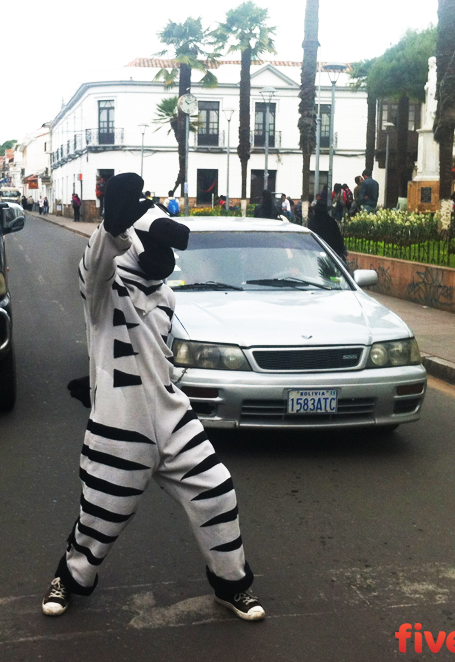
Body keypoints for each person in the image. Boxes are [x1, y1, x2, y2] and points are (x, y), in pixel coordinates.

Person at [42, 173, 264, 622]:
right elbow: (94, 271)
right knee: (102, 514)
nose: (164, 256)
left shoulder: (165, 296)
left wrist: (98, 379)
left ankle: (231, 584)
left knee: (216, 492)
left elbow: (153, 353)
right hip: (121, 422)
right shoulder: (105, 289)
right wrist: (110, 229)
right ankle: (69, 578)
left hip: (169, 409)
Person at [308, 192, 348, 260]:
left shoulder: (312, 222)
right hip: (331, 253)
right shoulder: (331, 222)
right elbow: (338, 238)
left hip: (315, 253)